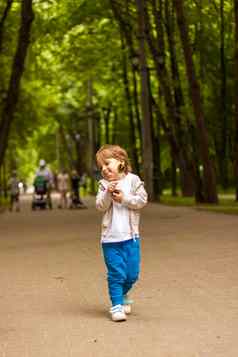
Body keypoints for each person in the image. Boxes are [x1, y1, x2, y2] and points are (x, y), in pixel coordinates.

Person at [95, 144, 148, 322]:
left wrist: (124, 199)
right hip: (110, 240)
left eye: (107, 163)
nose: (104, 169)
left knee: (132, 274)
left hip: (131, 238)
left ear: (121, 162)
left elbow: (142, 200)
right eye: (101, 167)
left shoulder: (133, 180)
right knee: (116, 273)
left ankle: (123, 293)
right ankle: (116, 305)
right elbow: (100, 206)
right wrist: (108, 195)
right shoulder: (103, 185)